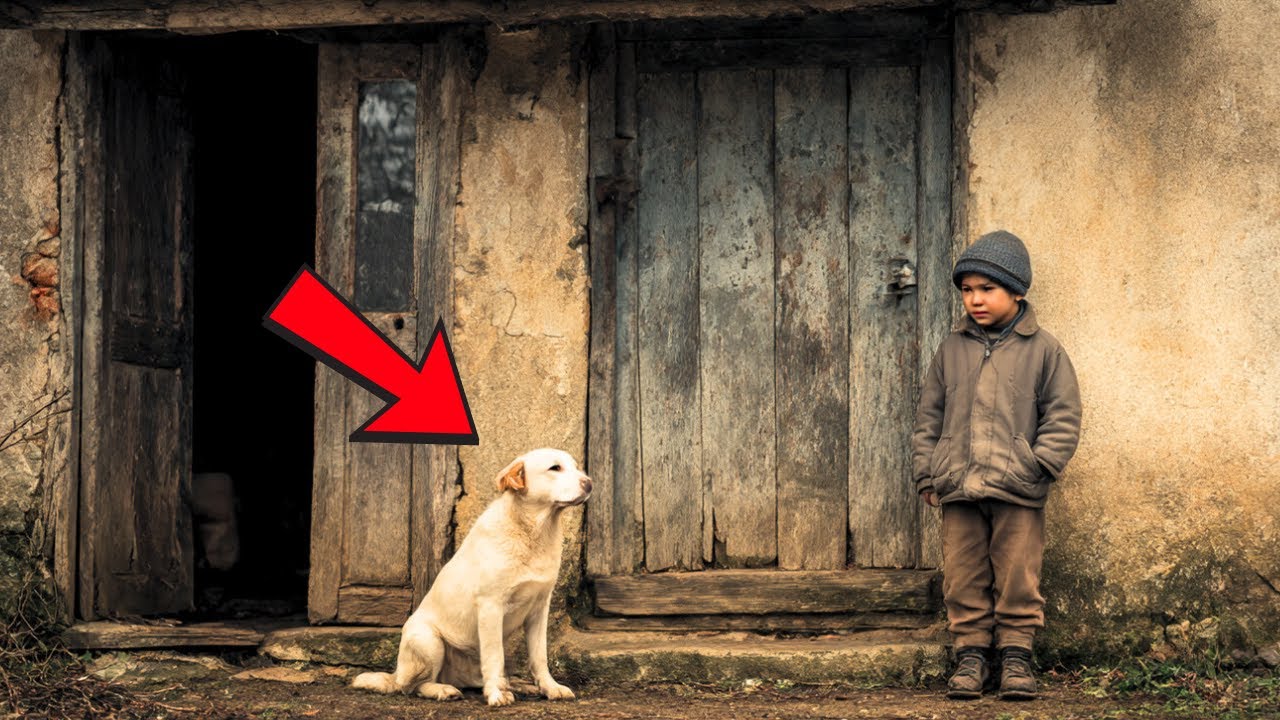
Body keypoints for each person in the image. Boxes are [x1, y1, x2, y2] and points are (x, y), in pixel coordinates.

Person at [912, 230, 1082, 700]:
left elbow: (1063, 414)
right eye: (967, 290)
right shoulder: (952, 349)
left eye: (987, 289)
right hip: (959, 486)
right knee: (963, 574)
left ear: (1017, 292)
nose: (975, 300)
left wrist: (1040, 465)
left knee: (1017, 574)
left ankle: (1016, 656)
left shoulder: (1044, 350)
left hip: (1017, 487)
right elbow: (929, 416)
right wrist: (929, 472)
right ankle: (970, 656)